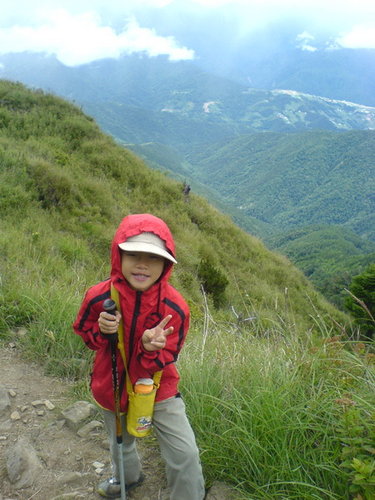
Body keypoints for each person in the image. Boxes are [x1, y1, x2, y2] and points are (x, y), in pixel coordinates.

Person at [73, 213, 205, 500]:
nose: (142, 264)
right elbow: (84, 334)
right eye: (133, 254)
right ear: (118, 254)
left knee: (185, 452)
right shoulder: (98, 296)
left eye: (153, 258)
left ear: (166, 264)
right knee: (121, 443)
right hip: (113, 383)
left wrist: (150, 349)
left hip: (159, 390)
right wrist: (101, 329)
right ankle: (127, 480)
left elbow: (169, 357)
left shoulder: (176, 308)